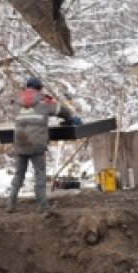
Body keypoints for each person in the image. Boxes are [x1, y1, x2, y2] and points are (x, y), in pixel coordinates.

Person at [8, 77, 81, 213]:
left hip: (20, 141)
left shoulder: (17, 100)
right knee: (40, 174)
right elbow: (62, 111)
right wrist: (70, 118)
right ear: (40, 88)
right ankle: (43, 206)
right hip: (37, 142)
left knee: (19, 174)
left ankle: (10, 205)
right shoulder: (44, 100)